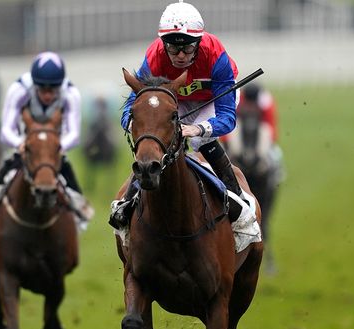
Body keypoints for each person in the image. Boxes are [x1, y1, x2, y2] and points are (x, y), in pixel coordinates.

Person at [110, 0, 260, 243]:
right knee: (155, 143)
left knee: (201, 141)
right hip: (174, 100)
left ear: (199, 43)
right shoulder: (155, 55)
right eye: (173, 48)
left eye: (188, 49)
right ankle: (126, 204)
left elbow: (227, 118)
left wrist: (197, 128)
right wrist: (136, 125)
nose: (180, 56)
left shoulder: (216, 55)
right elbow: (132, 104)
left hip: (214, 100)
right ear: (163, 45)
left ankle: (241, 212)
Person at [0, 51, 93, 237]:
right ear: (34, 84)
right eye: (42, 89)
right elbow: (6, 129)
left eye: (52, 89)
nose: (47, 94)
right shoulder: (19, 90)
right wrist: (21, 144)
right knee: (5, 173)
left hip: (54, 149)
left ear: (59, 85)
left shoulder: (71, 94)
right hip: (24, 146)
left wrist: (55, 148)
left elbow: (74, 134)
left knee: (67, 176)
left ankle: (79, 209)